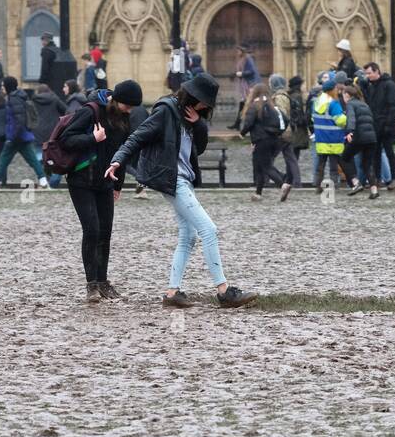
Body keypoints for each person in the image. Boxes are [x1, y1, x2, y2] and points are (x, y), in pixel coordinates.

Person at [108, 71, 257, 310]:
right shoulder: (165, 111)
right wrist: (118, 160)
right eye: (203, 102)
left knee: (188, 237)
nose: (205, 108)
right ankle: (224, 291)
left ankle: (172, 292)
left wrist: (199, 124)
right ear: (193, 96)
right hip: (173, 180)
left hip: (184, 180)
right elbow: (137, 138)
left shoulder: (192, 116)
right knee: (209, 229)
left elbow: (199, 148)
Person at [59, 80, 141, 300]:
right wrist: (92, 139)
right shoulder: (91, 111)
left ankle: (103, 282)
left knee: (105, 232)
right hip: (81, 180)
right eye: (128, 105)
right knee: (92, 230)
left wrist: (118, 185)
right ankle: (91, 285)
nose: (130, 110)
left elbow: (123, 152)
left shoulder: (123, 117)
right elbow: (66, 139)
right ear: (117, 100)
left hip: (105, 182)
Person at [0, 75, 48, 188]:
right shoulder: (19, 97)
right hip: (22, 135)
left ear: (8, 86)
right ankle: (43, 180)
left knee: (4, 159)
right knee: (32, 159)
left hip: (16, 136)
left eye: (3, 86)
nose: (2, 88)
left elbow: (18, 119)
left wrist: (13, 136)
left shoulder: (14, 99)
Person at [240, 82, 287, 201]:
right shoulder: (272, 105)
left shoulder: (255, 105)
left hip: (261, 140)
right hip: (274, 140)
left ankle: (283, 183)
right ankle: (258, 193)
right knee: (259, 165)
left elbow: (249, 123)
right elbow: (286, 120)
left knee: (266, 166)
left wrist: (242, 133)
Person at [362, 61, 395, 190]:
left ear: (376, 71)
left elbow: (393, 106)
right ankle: (377, 179)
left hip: (386, 125)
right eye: (366, 74)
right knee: (375, 153)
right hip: (375, 125)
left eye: (369, 73)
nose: (368, 76)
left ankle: (394, 179)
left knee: (389, 152)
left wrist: (388, 123)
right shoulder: (370, 85)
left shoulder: (388, 85)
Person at [309, 71, 347, 193]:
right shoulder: (334, 103)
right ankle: (334, 185)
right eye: (336, 88)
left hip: (321, 138)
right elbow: (340, 121)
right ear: (332, 90)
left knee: (321, 164)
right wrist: (346, 117)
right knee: (333, 165)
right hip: (334, 138)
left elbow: (312, 118)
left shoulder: (316, 102)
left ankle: (318, 186)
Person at [339, 85, 379, 198]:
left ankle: (356, 183)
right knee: (367, 163)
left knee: (344, 158)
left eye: (343, 95)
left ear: (347, 95)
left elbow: (351, 118)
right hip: (371, 138)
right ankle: (374, 190)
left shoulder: (350, 104)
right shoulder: (364, 104)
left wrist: (349, 131)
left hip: (359, 136)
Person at [269, 74, 301, 197]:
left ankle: (274, 180)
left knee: (268, 158)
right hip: (287, 131)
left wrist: (277, 129)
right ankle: (295, 182)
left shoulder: (280, 96)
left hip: (282, 132)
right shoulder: (283, 95)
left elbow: (281, 114)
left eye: (271, 82)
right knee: (290, 157)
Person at [30, 80, 66, 187]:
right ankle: (53, 182)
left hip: (37, 132)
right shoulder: (54, 99)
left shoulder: (33, 100)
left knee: (39, 158)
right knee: (55, 157)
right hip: (53, 132)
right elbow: (65, 110)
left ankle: (45, 179)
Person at [229, 44, 261, 129]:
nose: (237, 52)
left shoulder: (248, 58)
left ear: (242, 51)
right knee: (243, 104)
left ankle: (249, 124)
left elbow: (251, 71)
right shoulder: (243, 59)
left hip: (250, 85)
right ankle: (237, 123)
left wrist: (239, 74)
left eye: (239, 50)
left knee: (249, 104)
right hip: (245, 85)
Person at [287, 74, 309, 177]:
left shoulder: (291, 95)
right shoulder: (297, 96)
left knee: (292, 156)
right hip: (297, 130)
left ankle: (289, 178)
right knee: (294, 156)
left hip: (294, 129)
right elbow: (298, 114)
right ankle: (293, 179)